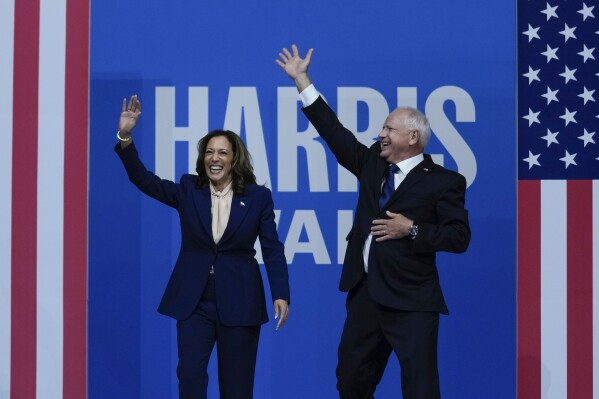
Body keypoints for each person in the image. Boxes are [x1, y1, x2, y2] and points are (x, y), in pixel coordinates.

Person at [276, 45, 471, 399]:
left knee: (420, 388)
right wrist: (302, 80)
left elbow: (459, 237)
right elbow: (334, 131)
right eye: (382, 128)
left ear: (413, 137)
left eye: (389, 128)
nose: (381, 133)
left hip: (412, 299)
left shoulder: (444, 181)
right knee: (350, 381)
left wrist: (410, 229)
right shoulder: (372, 164)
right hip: (365, 294)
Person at [114, 95, 290, 399]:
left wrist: (281, 293)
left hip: (240, 298)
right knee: (191, 376)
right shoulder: (188, 190)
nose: (215, 158)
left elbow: (272, 248)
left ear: (234, 159)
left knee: (237, 386)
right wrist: (126, 137)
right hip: (195, 299)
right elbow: (144, 180)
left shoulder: (258, 196)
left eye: (222, 152)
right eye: (209, 152)